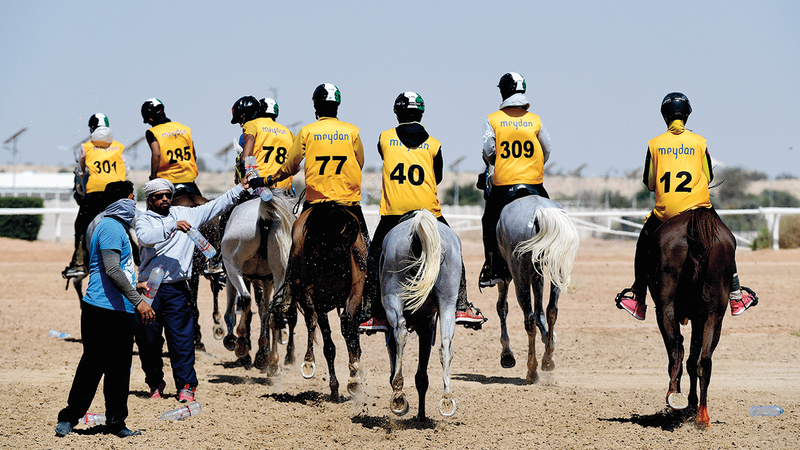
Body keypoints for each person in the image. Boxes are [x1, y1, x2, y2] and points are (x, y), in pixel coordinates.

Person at [615, 92, 758, 320]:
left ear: (665, 116)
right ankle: (736, 293)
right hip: (698, 208)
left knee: (644, 241)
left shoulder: (654, 144)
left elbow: (650, 183)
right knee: (725, 238)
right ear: (688, 115)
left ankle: (638, 297)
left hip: (665, 214)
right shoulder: (700, 142)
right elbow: (708, 176)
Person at [358, 92, 486, 333]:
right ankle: (460, 305)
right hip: (428, 212)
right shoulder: (434, 144)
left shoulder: (384, 138)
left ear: (397, 113)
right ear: (421, 113)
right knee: (454, 248)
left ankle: (373, 313)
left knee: (374, 257)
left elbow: (387, 154)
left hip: (394, 213)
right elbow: (436, 177)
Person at [134, 177, 249, 402]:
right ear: (150, 200)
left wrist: (240, 188)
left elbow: (217, 204)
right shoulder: (144, 219)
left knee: (182, 340)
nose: (165, 199)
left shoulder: (187, 214)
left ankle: (186, 386)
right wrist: (172, 226)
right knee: (148, 341)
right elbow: (146, 238)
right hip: (149, 290)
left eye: (168, 195)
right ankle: (155, 382)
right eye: (159, 197)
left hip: (177, 289)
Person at [55, 180, 155, 438]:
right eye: (132, 199)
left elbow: (119, 270)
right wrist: (139, 301)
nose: (135, 205)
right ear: (122, 200)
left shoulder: (118, 227)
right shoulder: (110, 227)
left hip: (120, 311)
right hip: (100, 310)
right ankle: (69, 417)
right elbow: (111, 270)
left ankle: (116, 422)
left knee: (120, 368)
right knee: (92, 365)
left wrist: (137, 284)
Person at [267, 83, 370, 314]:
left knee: (296, 245)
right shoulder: (352, 131)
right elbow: (360, 163)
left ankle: (287, 294)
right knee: (368, 251)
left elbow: (291, 166)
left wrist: (272, 177)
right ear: (337, 106)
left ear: (316, 106)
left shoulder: (307, 131)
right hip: (348, 203)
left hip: (316, 203)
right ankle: (370, 299)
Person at [479, 72, 552, 287]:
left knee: (489, 221)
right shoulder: (536, 120)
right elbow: (547, 150)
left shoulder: (493, 119)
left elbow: (489, 151)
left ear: (503, 91)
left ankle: (493, 268)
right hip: (535, 185)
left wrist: (498, 161)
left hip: (504, 186)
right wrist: (532, 165)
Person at [62, 113, 127, 279]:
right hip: (118, 195)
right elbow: (126, 172)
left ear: (91, 128)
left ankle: (78, 264)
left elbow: (81, 173)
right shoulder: (119, 147)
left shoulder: (86, 147)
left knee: (81, 226)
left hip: (95, 195)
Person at [232, 95, 295, 192]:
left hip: (260, 186)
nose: (241, 124)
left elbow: (248, 156)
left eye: (241, 120)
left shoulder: (252, 126)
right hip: (284, 187)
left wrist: (245, 163)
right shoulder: (288, 132)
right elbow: (297, 166)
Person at [140, 98, 201, 196]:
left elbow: (156, 154)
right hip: (189, 180)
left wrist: (153, 177)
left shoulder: (153, 132)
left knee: (152, 206)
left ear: (150, 119)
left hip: (167, 181)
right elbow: (194, 154)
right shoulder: (184, 128)